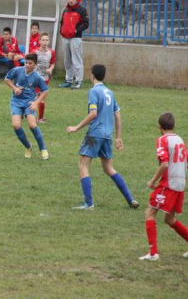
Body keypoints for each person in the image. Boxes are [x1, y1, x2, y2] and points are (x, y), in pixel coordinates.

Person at [66, 64, 139, 210]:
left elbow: (93, 114)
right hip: (107, 135)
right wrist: (118, 137)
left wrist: (76, 127)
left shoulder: (94, 91)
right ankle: (131, 200)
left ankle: (88, 204)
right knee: (109, 168)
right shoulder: (109, 92)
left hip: (95, 134)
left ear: (92, 75)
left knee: (83, 166)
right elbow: (117, 115)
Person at [139, 112, 188, 261]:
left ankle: (153, 253)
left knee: (149, 213)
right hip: (180, 184)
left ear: (159, 127)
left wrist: (152, 181)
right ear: (173, 126)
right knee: (169, 219)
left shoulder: (162, 140)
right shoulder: (180, 140)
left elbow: (165, 164)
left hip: (169, 184)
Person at [4, 52, 49, 160]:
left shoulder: (37, 77)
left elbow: (45, 91)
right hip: (16, 101)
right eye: (26, 62)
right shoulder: (17, 70)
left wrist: (36, 102)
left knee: (32, 125)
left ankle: (43, 149)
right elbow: (7, 79)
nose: (27, 65)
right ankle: (28, 147)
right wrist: (14, 88)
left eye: (30, 63)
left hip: (29, 102)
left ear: (35, 64)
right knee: (16, 125)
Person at [58, 0, 89, 90]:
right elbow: (62, 22)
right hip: (65, 38)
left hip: (75, 38)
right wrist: (61, 31)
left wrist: (76, 30)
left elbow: (86, 24)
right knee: (67, 60)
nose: (71, 1)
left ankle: (78, 81)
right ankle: (68, 80)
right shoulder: (65, 10)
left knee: (77, 60)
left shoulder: (82, 10)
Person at [34, 33, 56, 123]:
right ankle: (39, 118)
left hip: (46, 78)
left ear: (49, 41)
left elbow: (53, 63)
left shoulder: (51, 52)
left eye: (46, 40)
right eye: (43, 40)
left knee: (41, 97)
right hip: (36, 77)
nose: (45, 42)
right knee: (40, 97)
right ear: (39, 41)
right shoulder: (35, 52)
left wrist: (50, 69)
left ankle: (39, 117)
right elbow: (30, 63)